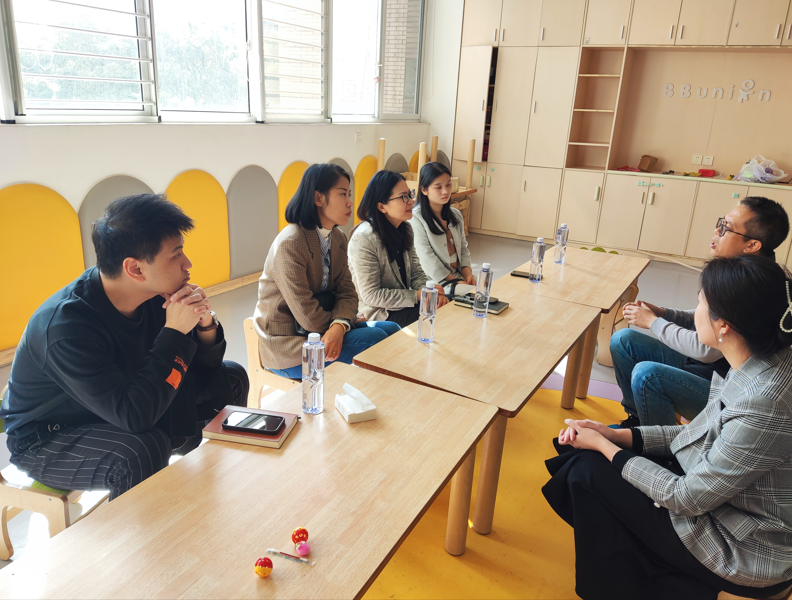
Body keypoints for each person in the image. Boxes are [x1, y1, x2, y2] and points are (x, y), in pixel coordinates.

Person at [544, 255, 792, 600]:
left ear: (724, 326)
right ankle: (631, 574)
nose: (695, 310)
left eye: (700, 303)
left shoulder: (763, 403)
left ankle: (650, 583)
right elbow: (698, 434)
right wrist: (617, 435)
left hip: (745, 548)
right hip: (725, 504)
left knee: (587, 471)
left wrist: (606, 447)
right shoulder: (762, 359)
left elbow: (685, 497)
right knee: (585, 460)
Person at [0, 194, 248, 501]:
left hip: (120, 401)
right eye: (176, 255)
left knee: (232, 377)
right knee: (141, 449)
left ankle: (216, 486)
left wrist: (204, 325)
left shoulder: (154, 295)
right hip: (49, 437)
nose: (188, 264)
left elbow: (203, 368)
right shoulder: (65, 327)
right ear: (135, 269)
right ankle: (148, 530)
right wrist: (174, 331)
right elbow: (134, 416)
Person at [612, 196, 790, 427]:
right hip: (705, 368)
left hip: (722, 389)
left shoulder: (752, 286)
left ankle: (656, 443)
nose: (717, 231)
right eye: (720, 223)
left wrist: (654, 322)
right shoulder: (740, 271)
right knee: (623, 340)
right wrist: (665, 313)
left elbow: (705, 349)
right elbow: (705, 318)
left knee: (648, 375)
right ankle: (637, 420)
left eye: (726, 228)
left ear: (752, 245)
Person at [254, 163, 400, 380]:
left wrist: (341, 323)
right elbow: (307, 316)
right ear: (318, 198)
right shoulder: (290, 243)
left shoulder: (337, 238)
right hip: (289, 346)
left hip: (322, 331)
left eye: (349, 194)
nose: (350, 202)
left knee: (393, 329)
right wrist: (343, 323)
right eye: (343, 194)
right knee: (376, 338)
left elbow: (348, 293)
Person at [348, 170, 449, 327]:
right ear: (382, 206)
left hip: (402, 305)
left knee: (448, 303)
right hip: (378, 312)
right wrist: (417, 295)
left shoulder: (405, 228)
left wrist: (429, 293)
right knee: (437, 316)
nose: (411, 201)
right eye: (403, 197)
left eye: (410, 194)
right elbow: (371, 296)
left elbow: (416, 274)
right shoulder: (364, 238)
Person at [410, 162, 475, 289]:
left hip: (457, 275)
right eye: (438, 187)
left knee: (487, 288)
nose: (445, 191)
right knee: (476, 293)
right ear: (424, 190)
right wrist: (454, 281)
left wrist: (468, 275)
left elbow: (463, 248)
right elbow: (426, 258)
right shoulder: (416, 218)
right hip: (434, 281)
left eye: (448, 185)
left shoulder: (455, 214)